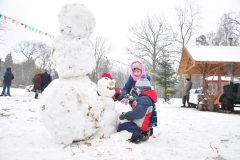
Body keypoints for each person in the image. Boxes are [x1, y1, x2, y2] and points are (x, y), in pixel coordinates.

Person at [118, 74, 157, 143]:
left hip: (141, 125)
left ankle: (139, 135)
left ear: (140, 89)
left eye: (136, 89)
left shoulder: (144, 99)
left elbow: (138, 113)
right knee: (125, 125)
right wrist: (130, 100)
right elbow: (137, 105)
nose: (136, 91)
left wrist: (126, 115)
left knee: (122, 127)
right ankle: (143, 132)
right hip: (142, 123)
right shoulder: (145, 97)